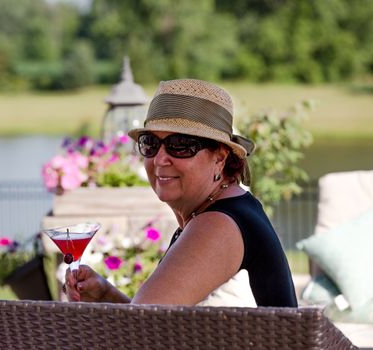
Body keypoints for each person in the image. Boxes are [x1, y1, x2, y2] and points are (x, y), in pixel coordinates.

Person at [64, 78, 298, 307]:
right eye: (150, 143)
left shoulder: (217, 223)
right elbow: (155, 323)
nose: (159, 158)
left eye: (181, 145)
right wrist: (106, 295)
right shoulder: (223, 210)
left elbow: (141, 330)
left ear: (220, 157)